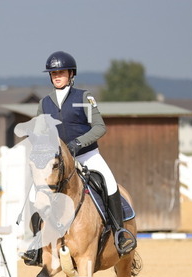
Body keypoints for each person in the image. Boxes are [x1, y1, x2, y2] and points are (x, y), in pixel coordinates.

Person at [21, 50, 136, 265]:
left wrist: (78, 143)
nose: (57, 76)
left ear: (71, 74)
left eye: (61, 72)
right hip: (58, 162)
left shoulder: (84, 97)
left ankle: (120, 233)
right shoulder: (44, 103)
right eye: (54, 73)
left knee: (110, 183)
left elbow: (99, 127)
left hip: (87, 155)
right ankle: (36, 244)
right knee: (34, 194)